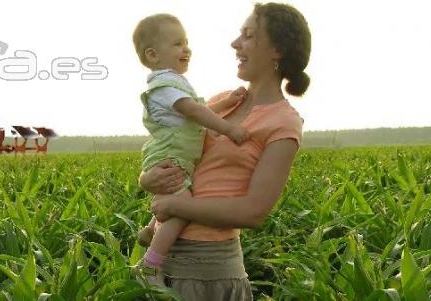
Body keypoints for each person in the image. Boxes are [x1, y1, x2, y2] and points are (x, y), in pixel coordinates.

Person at [139, 3, 311, 300]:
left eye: (248, 35)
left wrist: (176, 208)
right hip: (164, 262)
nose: (235, 43)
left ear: (277, 50)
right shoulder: (222, 102)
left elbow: (253, 211)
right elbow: (173, 147)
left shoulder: (283, 122)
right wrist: (146, 178)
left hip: (211, 272)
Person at [131, 13, 251, 287]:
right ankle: (149, 265)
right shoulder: (164, 86)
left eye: (186, 42)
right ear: (152, 55)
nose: (186, 49)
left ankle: (151, 230)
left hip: (173, 154)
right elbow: (194, 111)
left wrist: (227, 103)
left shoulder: (174, 83)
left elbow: (197, 111)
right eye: (177, 44)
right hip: (170, 156)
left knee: (177, 198)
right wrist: (228, 128)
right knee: (183, 209)